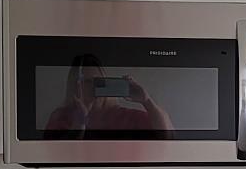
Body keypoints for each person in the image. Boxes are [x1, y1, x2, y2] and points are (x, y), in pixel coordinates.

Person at [43, 54, 174, 133]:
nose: (92, 87)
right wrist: (80, 121)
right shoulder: (61, 117)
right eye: (86, 82)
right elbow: (55, 154)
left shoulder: (128, 117)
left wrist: (147, 101)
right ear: (75, 85)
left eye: (98, 82)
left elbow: (168, 138)